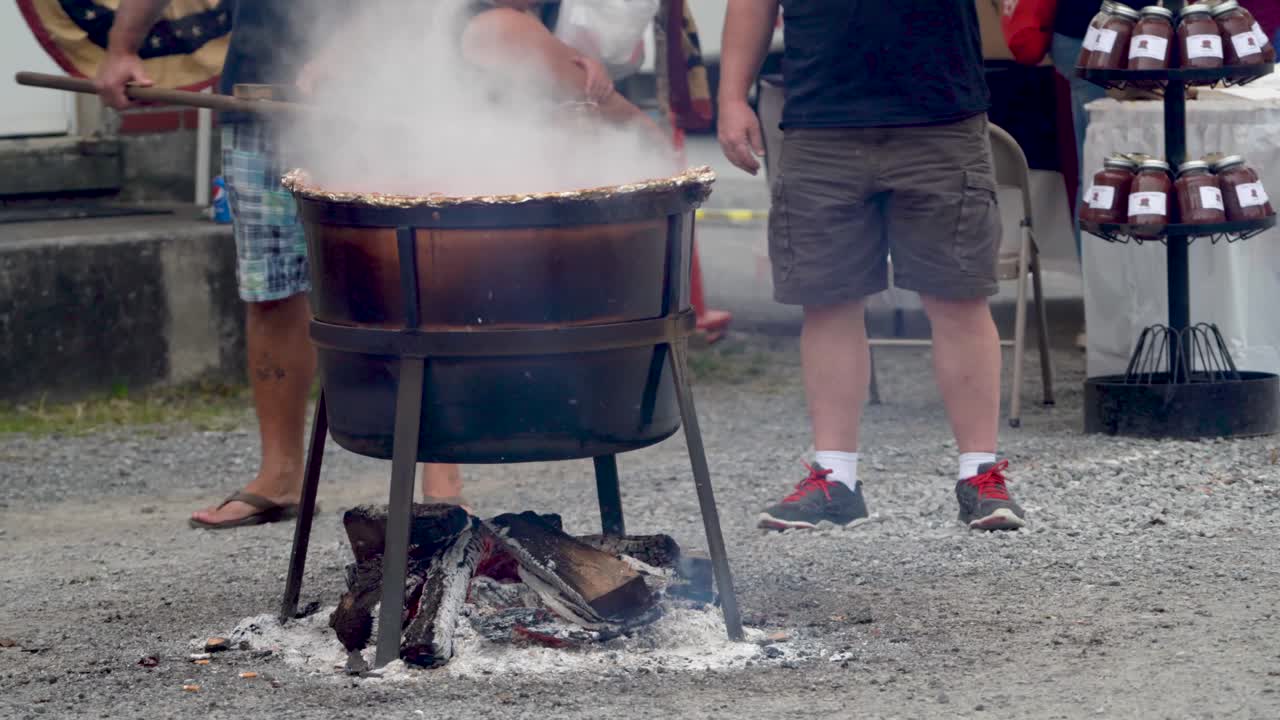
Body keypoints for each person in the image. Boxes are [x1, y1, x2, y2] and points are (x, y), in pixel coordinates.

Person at [94, 1, 471, 528]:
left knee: (411, 280)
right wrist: (122, 47)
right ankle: (280, 477)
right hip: (259, 99)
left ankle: (440, 482)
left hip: (388, 95)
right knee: (270, 285)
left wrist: (348, 50)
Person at [717, 0, 1028, 532]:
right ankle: (835, 479)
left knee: (957, 296)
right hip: (821, 122)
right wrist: (730, 97)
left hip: (940, 115)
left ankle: (981, 475)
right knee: (827, 299)